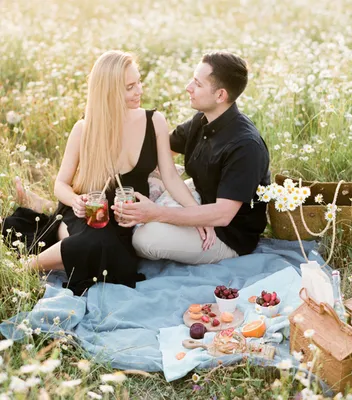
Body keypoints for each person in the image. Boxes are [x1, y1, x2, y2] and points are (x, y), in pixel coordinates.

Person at [3, 50, 216, 295]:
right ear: (109, 91)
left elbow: (170, 177)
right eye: (130, 87)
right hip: (89, 212)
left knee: (117, 260)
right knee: (96, 242)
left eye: (139, 82)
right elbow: (61, 183)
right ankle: (24, 269)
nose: (139, 91)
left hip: (125, 219)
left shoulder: (154, 120)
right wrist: (75, 201)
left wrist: (198, 215)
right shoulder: (84, 128)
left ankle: (54, 228)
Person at [114, 51, 270, 265]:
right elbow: (161, 149)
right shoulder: (202, 120)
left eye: (197, 84)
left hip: (227, 234)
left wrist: (157, 213)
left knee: (143, 239)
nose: (188, 87)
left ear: (220, 95)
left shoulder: (246, 146)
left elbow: (222, 215)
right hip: (200, 199)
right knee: (142, 188)